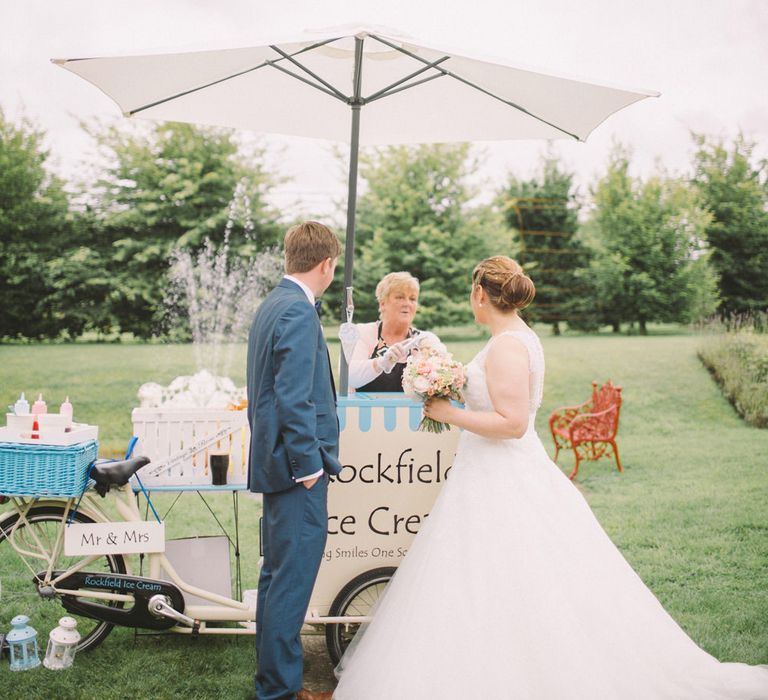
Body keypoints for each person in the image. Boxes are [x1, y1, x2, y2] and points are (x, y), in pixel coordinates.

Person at [333, 256, 768, 699]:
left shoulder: (507, 345)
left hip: (500, 475)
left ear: (480, 294)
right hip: (490, 472)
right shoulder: (514, 337)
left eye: (471, 292)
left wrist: (451, 412)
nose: (471, 300)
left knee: (505, 570)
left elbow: (514, 423)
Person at [247, 221, 342, 700]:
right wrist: (309, 468)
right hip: (295, 471)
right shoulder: (298, 313)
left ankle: (273, 681)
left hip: (276, 465)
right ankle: (280, 692)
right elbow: (293, 398)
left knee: (275, 577)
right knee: (290, 582)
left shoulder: (273, 304)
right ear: (325, 264)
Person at [348, 271, 423, 392]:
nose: (407, 303)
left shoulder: (423, 340)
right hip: (365, 410)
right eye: (400, 297)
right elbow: (350, 377)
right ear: (382, 303)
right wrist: (381, 363)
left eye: (413, 299)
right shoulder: (363, 333)